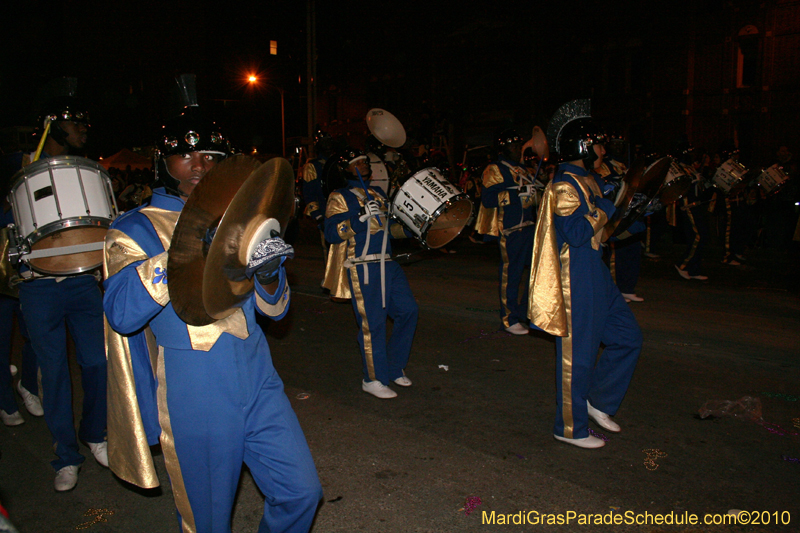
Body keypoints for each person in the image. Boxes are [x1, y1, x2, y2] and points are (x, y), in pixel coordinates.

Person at [103, 104, 322, 532]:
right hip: (194, 387)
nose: (200, 165)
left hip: (258, 374)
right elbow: (121, 313)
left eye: (211, 156)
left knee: (300, 492)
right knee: (208, 522)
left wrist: (269, 270)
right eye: (187, 154)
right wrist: (187, 247)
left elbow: (275, 311)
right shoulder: (136, 228)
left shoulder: (242, 217)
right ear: (162, 163)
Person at [12, 92, 108, 491]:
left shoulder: (83, 169)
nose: (84, 129)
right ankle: (65, 456)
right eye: (76, 123)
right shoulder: (19, 166)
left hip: (82, 280)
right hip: (38, 287)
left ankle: (94, 432)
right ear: (54, 127)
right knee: (53, 373)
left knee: (98, 362)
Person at [529, 111, 641, 449]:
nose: (604, 152)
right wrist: (608, 206)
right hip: (575, 277)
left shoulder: (587, 180)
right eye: (599, 146)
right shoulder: (563, 184)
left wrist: (632, 209)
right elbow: (577, 232)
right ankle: (569, 427)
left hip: (596, 272)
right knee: (577, 356)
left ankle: (599, 401)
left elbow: (604, 232)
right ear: (584, 145)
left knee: (628, 337)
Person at [323, 148, 418, 399]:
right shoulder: (339, 196)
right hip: (363, 265)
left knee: (408, 311)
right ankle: (372, 378)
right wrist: (358, 219)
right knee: (373, 323)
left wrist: (414, 229)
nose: (363, 163)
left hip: (388, 263)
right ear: (344, 169)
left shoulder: (378, 193)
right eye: (356, 162)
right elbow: (332, 233)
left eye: (364, 160)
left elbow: (390, 231)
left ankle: (394, 367)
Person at [475, 129, 537, 334]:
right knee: (511, 275)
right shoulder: (495, 169)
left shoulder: (523, 169)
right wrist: (515, 194)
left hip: (529, 228)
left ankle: (524, 313)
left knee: (534, 274)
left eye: (519, 146)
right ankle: (509, 319)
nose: (518, 150)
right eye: (513, 146)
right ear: (504, 148)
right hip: (510, 230)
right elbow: (488, 198)